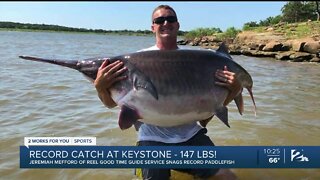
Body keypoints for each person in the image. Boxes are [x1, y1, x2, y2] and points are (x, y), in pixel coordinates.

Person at [94, 5, 240, 180]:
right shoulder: (136, 60)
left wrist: (234, 90)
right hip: (151, 140)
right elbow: (110, 103)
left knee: (227, 177)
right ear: (152, 27)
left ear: (177, 25)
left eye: (170, 19)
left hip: (191, 136)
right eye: (159, 20)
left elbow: (204, 118)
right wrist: (100, 86)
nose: (165, 23)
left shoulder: (195, 62)